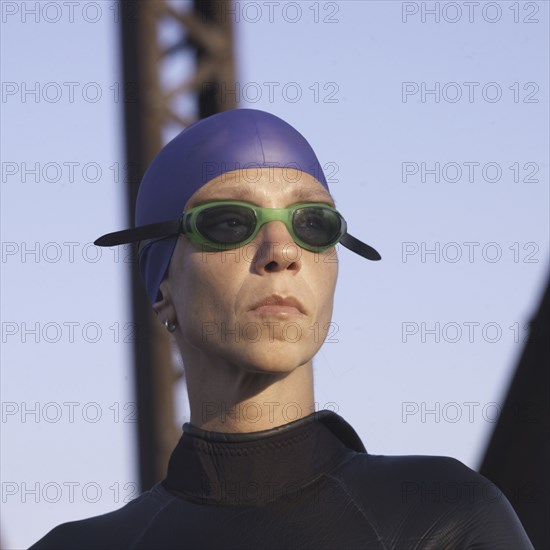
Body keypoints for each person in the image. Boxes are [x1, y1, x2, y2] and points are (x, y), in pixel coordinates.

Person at [30, 109, 533, 549]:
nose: (283, 251)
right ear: (162, 287)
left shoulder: (442, 516)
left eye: (313, 223)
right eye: (228, 222)